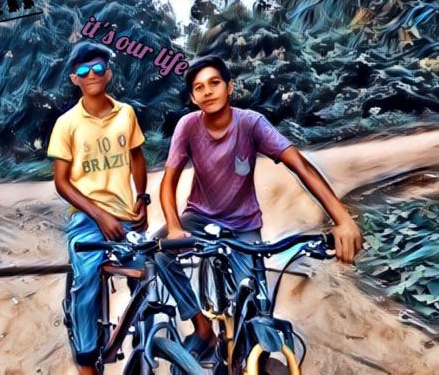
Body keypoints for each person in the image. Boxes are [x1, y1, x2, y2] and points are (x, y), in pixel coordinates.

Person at [154, 54, 364, 361]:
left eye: (214, 83)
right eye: (199, 88)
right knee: (160, 252)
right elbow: (168, 183)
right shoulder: (188, 126)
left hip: (243, 225)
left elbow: (300, 166)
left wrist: (342, 219)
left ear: (229, 87)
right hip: (198, 217)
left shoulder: (251, 123)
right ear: (193, 97)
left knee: (255, 311)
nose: (208, 91)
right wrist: (174, 227)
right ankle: (201, 327)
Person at [47, 42, 150, 375]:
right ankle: (86, 359)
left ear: (108, 73)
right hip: (86, 219)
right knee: (85, 282)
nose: (90, 74)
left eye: (97, 68)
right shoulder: (66, 123)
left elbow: (137, 157)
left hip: (125, 216)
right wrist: (99, 215)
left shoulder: (126, 114)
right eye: (82, 69)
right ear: (74, 79)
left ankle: (146, 344)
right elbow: (62, 182)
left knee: (146, 274)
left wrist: (142, 197)